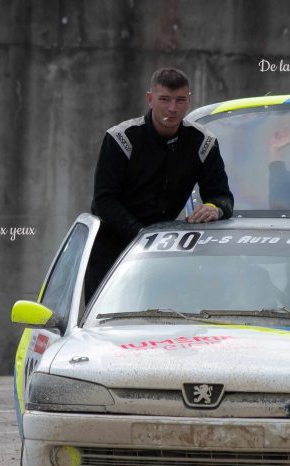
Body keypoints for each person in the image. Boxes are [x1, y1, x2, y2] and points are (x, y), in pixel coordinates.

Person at [86, 67, 234, 299]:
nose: (172, 108)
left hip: (163, 255)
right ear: (150, 99)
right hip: (111, 253)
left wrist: (215, 209)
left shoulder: (203, 142)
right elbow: (104, 200)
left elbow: (223, 196)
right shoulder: (120, 138)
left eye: (180, 100)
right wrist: (141, 234)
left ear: (189, 102)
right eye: (164, 99)